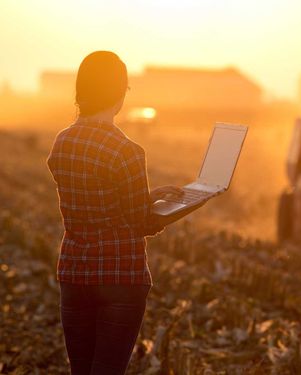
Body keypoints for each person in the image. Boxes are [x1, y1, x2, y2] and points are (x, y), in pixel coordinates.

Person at [47, 51, 185, 374]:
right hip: (120, 278)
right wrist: (185, 205)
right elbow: (140, 222)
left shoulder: (61, 143)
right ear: (119, 94)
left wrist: (148, 196)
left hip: (74, 273)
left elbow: (98, 199)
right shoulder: (127, 151)